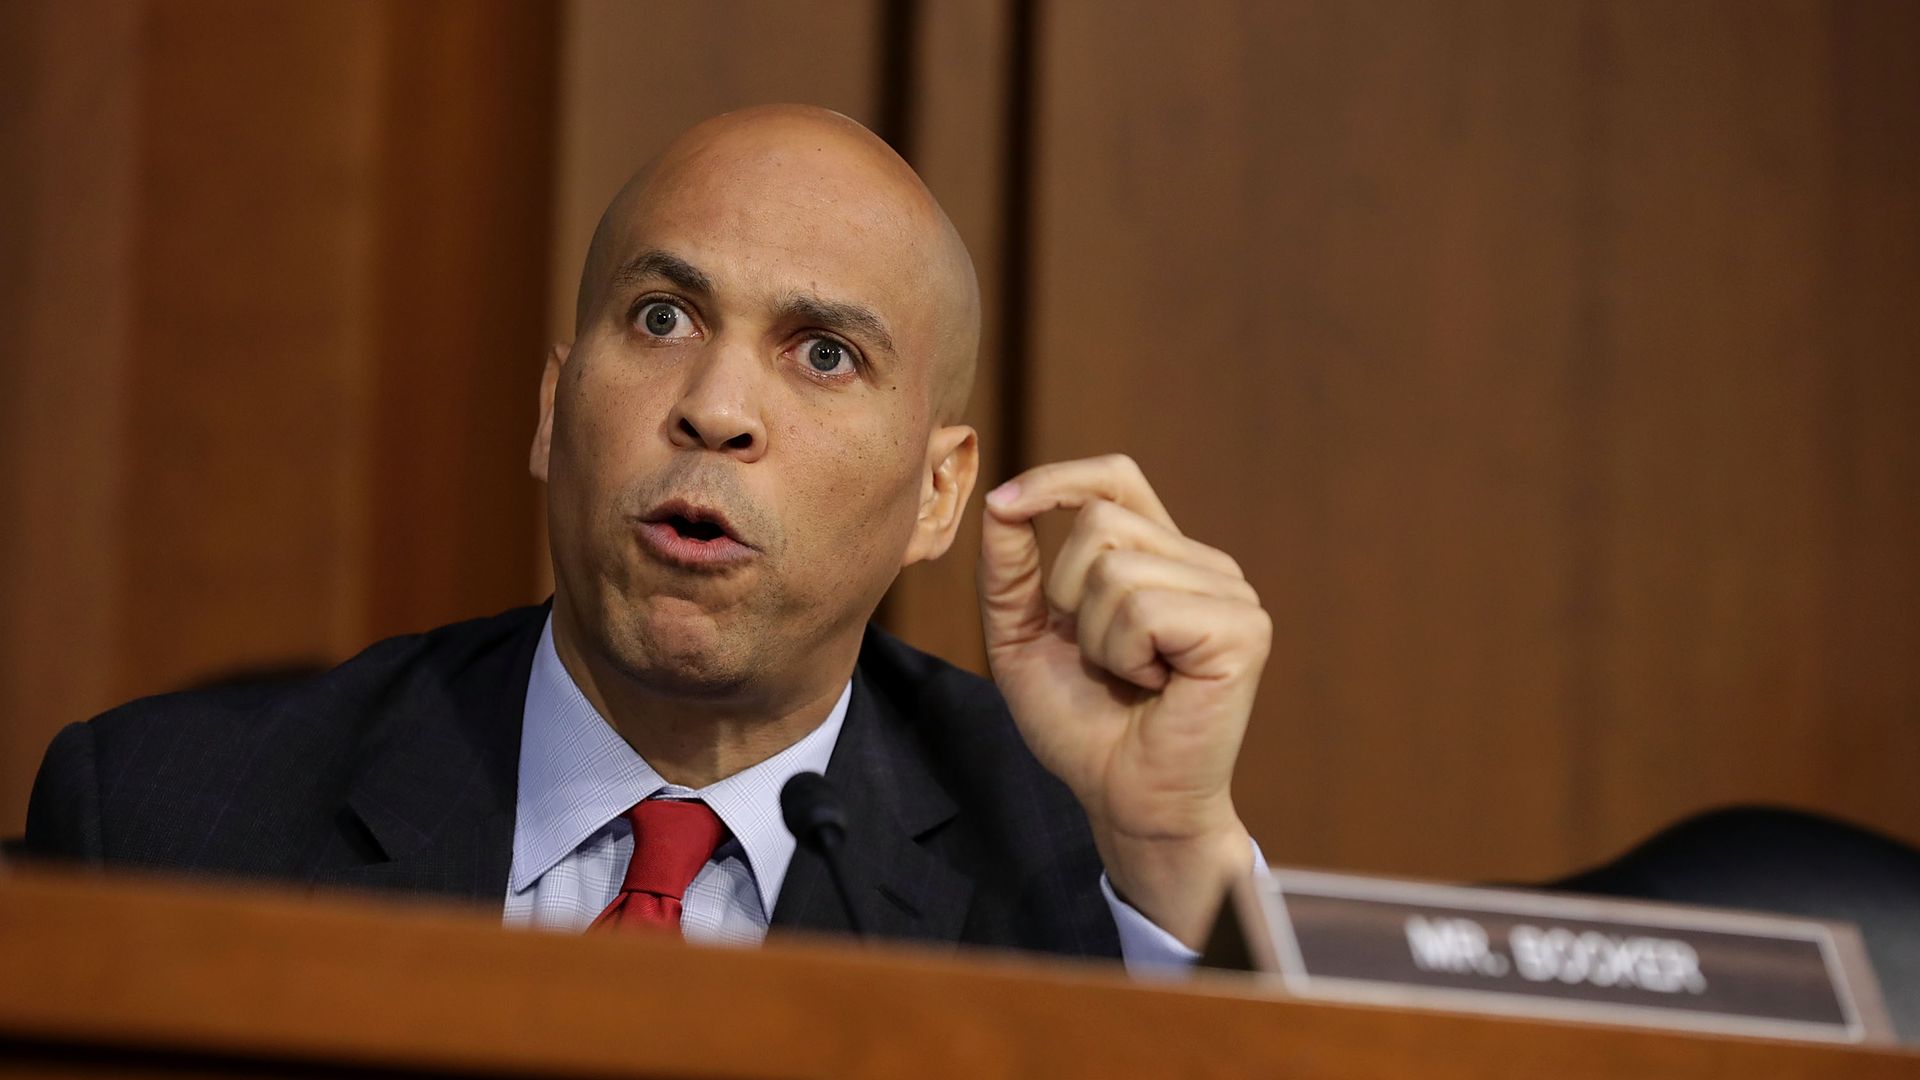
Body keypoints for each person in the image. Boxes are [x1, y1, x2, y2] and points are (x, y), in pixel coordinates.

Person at [26, 105, 1270, 969]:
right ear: (554, 407)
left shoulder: (1082, 874)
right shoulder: (166, 826)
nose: (716, 409)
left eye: (824, 354)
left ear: (939, 496)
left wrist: (1172, 851)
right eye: (664, 317)